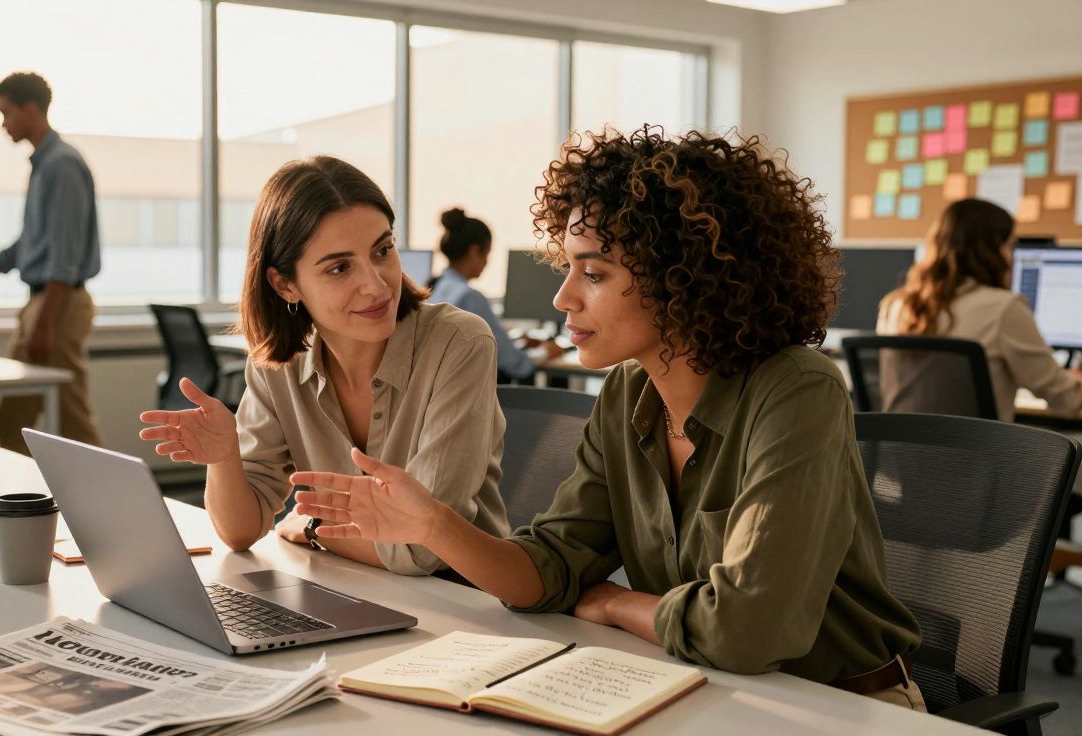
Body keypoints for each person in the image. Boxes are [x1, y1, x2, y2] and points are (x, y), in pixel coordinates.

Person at [292, 127, 925, 709]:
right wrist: (431, 524)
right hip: (708, 693)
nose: (564, 297)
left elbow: (747, 630)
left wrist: (620, 602)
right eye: (568, 268)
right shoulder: (628, 394)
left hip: (842, 710)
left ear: (686, 279)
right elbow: (549, 570)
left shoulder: (796, 390)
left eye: (593, 273)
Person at [137, 156, 509, 575]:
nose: (375, 284)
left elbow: (425, 549)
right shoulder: (279, 365)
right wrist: (224, 458)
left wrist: (314, 529)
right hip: (349, 586)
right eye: (339, 267)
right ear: (285, 284)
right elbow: (239, 532)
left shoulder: (459, 342)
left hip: (464, 606)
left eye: (382, 250)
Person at [0, 72, 102, 454]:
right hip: (42, 303)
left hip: (58, 304)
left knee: (71, 423)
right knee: (13, 421)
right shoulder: (44, 164)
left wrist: (45, 323)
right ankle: (40, 501)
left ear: (31, 110)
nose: (3, 124)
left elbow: (63, 255)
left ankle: (110, 508)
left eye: (6, 113)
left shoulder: (61, 165)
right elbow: (26, 247)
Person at [876, 198, 1082, 421]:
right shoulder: (1004, 308)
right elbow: (1067, 401)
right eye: (1009, 246)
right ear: (990, 251)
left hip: (900, 452)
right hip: (976, 454)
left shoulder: (897, 305)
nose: (1012, 257)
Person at [429, 208, 564, 382]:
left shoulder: (436, 287)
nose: (487, 262)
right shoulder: (469, 298)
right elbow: (515, 365)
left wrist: (514, 342)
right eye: (487, 253)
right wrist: (546, 351)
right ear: (474, 251)